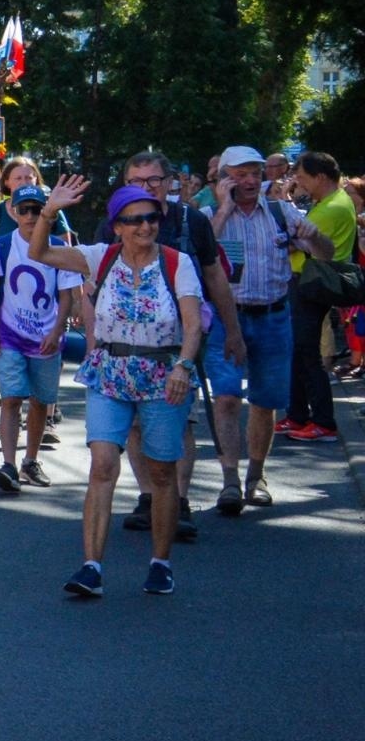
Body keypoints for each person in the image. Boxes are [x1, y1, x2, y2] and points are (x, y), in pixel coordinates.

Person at [30, 178, 203, 598]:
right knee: (103, 462)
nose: (145, 226)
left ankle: (160, 562)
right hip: (110, 370)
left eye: (151, 218)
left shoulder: (177, 263)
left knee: (162, 472)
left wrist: (183, 364)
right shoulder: (98, 257)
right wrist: (49, 211)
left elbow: (193, 323)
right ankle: (91, 566)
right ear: (118, 226)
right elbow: (39, 251)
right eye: (135, 220)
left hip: (164, 375)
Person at [94, 151, 242, 541]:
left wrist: (234, 331)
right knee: (137, 425)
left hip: (180, 341)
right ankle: (149, 496)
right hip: (127, 344)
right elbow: (94, 282)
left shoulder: (191, 222)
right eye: (137, 182)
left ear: (170, 181)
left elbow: (214, 276)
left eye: (154, 180)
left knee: (182, 422)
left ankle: (177, 499)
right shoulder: (111, 224)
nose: (147, 189)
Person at [206, 145, 333, 515]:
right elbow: (198, 259)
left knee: (265, 402)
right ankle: (230, 479)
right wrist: (224, 210)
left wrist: (313, 236)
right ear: (224, 178)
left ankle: (255, 478)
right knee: (227, 397)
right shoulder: (208, 215)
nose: (249, 181)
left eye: (255, 173)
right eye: (240, 174)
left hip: (274, 317)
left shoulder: (281, 211)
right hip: (228, 320)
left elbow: (326, 254)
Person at [0, 184, 81, 492]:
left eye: (36, 210)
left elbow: (67, 296)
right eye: (22, 209)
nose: (29, 216)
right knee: (11, 398)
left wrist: (57, 330)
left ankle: (31, 460)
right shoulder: (1, 246)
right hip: (9, 334)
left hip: (46, 337)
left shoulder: (57, 248)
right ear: (12, 210)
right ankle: (8, 464)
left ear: (47, 213)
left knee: (40, 401)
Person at [0, 157, 74, 415]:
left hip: (48, 301)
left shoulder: (51, 212)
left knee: (48, 354)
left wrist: (77, 301)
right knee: (8, 368)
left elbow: (67, 255)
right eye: (18, 178)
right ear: (6, 183)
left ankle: (48, 409)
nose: (24, 182)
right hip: (6, 300)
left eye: (29, 177)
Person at [281, 151, 354, 442]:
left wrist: (285, 204)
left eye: (302, 177)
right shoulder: (332, 202)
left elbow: (291, 241)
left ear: (320, 177)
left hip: (310, 284)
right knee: (300, 351)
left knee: (307, 354)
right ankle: (297, 415)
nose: (298, 183)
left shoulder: (331, 208)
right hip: (308, 282)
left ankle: (324, 422)